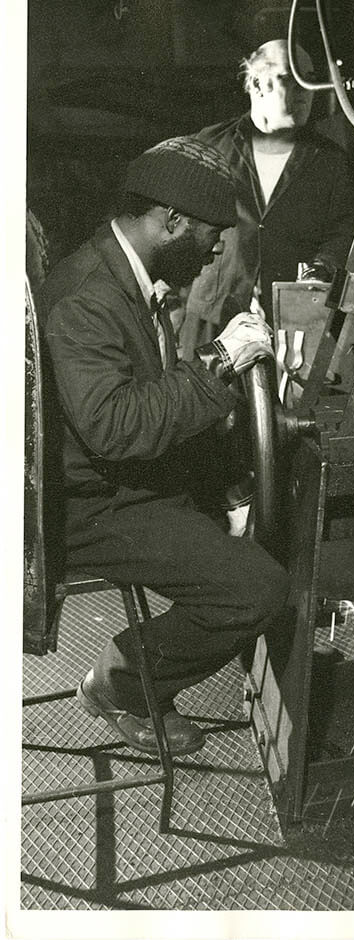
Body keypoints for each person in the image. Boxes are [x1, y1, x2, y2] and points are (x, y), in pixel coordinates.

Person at [40, 136, 288, 757]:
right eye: (212, 235)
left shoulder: (129, 273)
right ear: (171, 222)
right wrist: (220, 361)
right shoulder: (86, 297)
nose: (217, 251)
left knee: (248, 530)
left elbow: (150, 403)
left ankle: (143, 667)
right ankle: (120, 682)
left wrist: (223, 481)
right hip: (86, 508)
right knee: (257, 588)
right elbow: (115, 427)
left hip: (118, 482)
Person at [178, 38, 354, 357]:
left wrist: (322, 268)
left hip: (295, 324)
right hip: (213, 316)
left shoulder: (329, 160)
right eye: (291, 79)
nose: (305, 92)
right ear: (258, 84)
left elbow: (343, 231)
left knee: (293, 408)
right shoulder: (208, 146)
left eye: (309, 80)